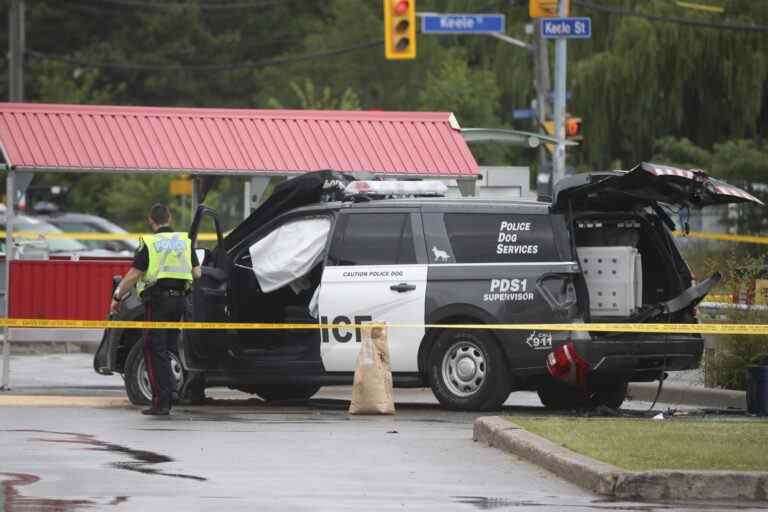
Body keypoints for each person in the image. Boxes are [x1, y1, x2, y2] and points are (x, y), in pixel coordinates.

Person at [110, 204, 201, 415]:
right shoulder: (184, 242)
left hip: (158, 302)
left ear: (151, 221)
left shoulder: (149, 243)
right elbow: (197, 274)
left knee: (153, 348)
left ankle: (161, 402)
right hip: (179, 301)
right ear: (169, 218)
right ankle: (172, 392)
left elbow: (133, 275)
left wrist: (117, 297)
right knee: (169, 348)